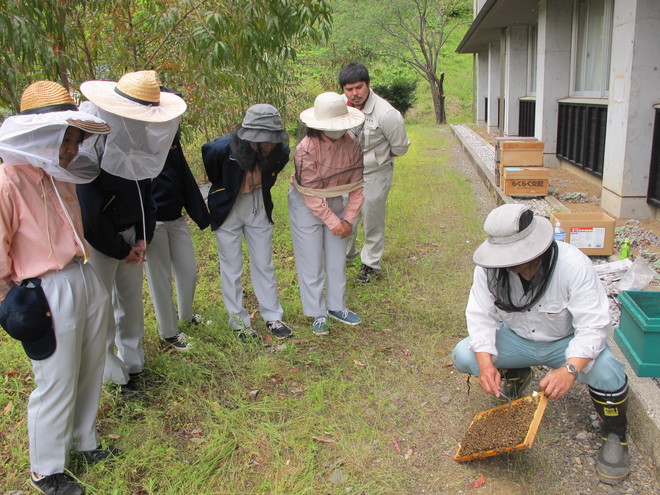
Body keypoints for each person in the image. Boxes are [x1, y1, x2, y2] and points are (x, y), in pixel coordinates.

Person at [451, 204, 630, 485]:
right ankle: (517, 372)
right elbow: (479, 315)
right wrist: (486, 364)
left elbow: (594, 326)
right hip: (518, 339)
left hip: (564, 343)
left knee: (607, 370)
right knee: (465, 355)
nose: (510, 263)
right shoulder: (487, 270)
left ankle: (615, 433)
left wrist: (570, 369)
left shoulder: (573, 265)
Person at [0, 81, 115, 495]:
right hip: (44, 287)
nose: (72, 149)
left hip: (82, 274)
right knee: (55, 378)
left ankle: (84, 440)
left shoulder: (59, 174)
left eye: (75, 140)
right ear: (41, 134)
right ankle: (46, 469)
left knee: (89, 366)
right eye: (66, 140)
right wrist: (13, 301)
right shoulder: (8, 180)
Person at [77, 70, 186, 389]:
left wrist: (143, 238)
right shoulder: (92, 144)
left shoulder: (140, 143)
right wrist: (122, 248)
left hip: (131, 238)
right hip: (100, 243)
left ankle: (134, 362)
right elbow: (89, 213)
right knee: (102, 307)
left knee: (130, 300)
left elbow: (145, 195)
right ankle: (111, 371)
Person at [202, 104, 293, 341]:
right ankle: (239, 323)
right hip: (228, 206)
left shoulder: (281, 152)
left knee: (264, 262)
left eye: (270, 139)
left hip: (258, 205)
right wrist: (228, 188)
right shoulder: (221, 148)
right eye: (261, 139)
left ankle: (273, 316)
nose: (266, 145)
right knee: (231, 266)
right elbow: (212, 169)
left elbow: (274, 173)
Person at [289, 92, 365, 335]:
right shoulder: (305, 149)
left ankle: (336, 306)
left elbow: (356, 185)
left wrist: (348, 220)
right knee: (311, 261)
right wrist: (334, 221)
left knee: (336, 258)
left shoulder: (352, 144)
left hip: (335, 198)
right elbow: (310, 193)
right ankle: (316, 312)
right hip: (305, 204)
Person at [144, 89, 210, 352]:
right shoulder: (141, 138)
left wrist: (201, 213)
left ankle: (186, 315)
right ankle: (169, 331)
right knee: (159, 279)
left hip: (175, 217)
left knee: (188, 270)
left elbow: (182, 174)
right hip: (152, 222)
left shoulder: (171, 137)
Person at [339, 62, 410, 283]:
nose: (354, 93)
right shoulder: (339, 106)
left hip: (375, 173)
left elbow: (400, 148)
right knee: (345, 217)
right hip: (345, 174)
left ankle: (370, 264)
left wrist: (375, 160)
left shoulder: (386, 113)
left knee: (372, 219)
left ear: (368, 84)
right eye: (349, 89)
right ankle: (344, 257)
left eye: (359, 87)